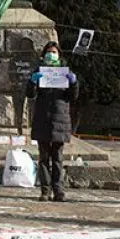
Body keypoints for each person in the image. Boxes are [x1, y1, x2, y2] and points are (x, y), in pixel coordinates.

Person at [26, 42, 78, 202]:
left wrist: (74, 83)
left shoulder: (65, 72)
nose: (51, 55)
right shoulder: (39, 71)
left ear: (59, 55)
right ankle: (45, 191)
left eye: (54, 52)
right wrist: (32, 82)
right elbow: (30, 94)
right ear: (43, 55)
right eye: (49, 52)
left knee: (57, 158)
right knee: (43, 158)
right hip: (42, 118)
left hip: (60, 119)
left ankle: (59, 190)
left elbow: (73, 96)